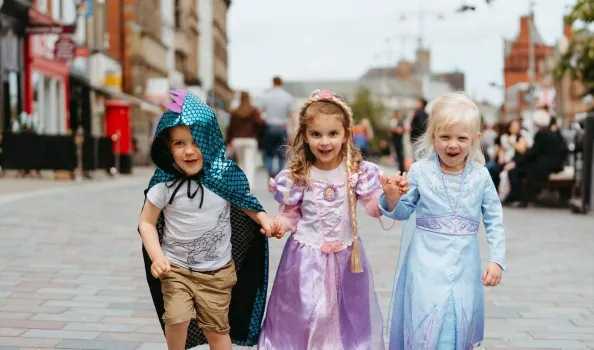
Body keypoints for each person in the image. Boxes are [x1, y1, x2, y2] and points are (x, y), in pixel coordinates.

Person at [138, 90, 276, 350]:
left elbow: (246, 203)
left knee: (217, 331)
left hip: (217, 273)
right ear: (168, 147)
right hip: (176, 269)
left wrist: (265, 220)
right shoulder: (164, 183)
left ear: (211, 140)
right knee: (176, 319)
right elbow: (146, 222)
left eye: (197, 141)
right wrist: (157, 257)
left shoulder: (224, 176)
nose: (189, 151)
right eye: (179, 143)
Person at [259, 89, 386, 349]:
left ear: (346, 135)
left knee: (344, 317)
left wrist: (390, 198)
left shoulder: (356, 171)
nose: (324, 142)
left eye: (332, 134)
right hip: (305, 260)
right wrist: (277, 226)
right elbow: (290, 214)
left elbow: (373, 207)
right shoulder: (298, 175)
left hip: (348, 260)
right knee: (306, 316)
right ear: (304, 136)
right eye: (316, 134)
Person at [380, 92, 506, 349]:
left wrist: (496, 260)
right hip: (425, 263)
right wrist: (392, 198)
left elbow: (494, 219)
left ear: (475, 139)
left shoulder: (481, 176)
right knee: (425, 319)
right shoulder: (419, 171)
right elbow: (404, 211)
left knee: (455, 321)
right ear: (432, 135)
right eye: (445, 137)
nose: (453, 145)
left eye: (461, 138)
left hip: (465, 265)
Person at [226, 91, 265, 189]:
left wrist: (229, 140)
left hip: (237, 140)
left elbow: (230, 128)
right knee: (250, 163)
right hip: (250, 140)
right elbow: (261, 124)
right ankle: (249, 186)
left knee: (241, 162)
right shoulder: (254, 111)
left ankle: (241, 184)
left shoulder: (235, 112)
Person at [261, 76, 296, 178]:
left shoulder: (266, 96)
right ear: (282, 83)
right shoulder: (288, 96)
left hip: (270, 127)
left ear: (273, 83)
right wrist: (293, 131)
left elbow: (260, 113)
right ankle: (280, 176)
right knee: (282, 154)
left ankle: (271, 173)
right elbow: (292, 116)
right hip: (282, 128)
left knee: (268, 154)